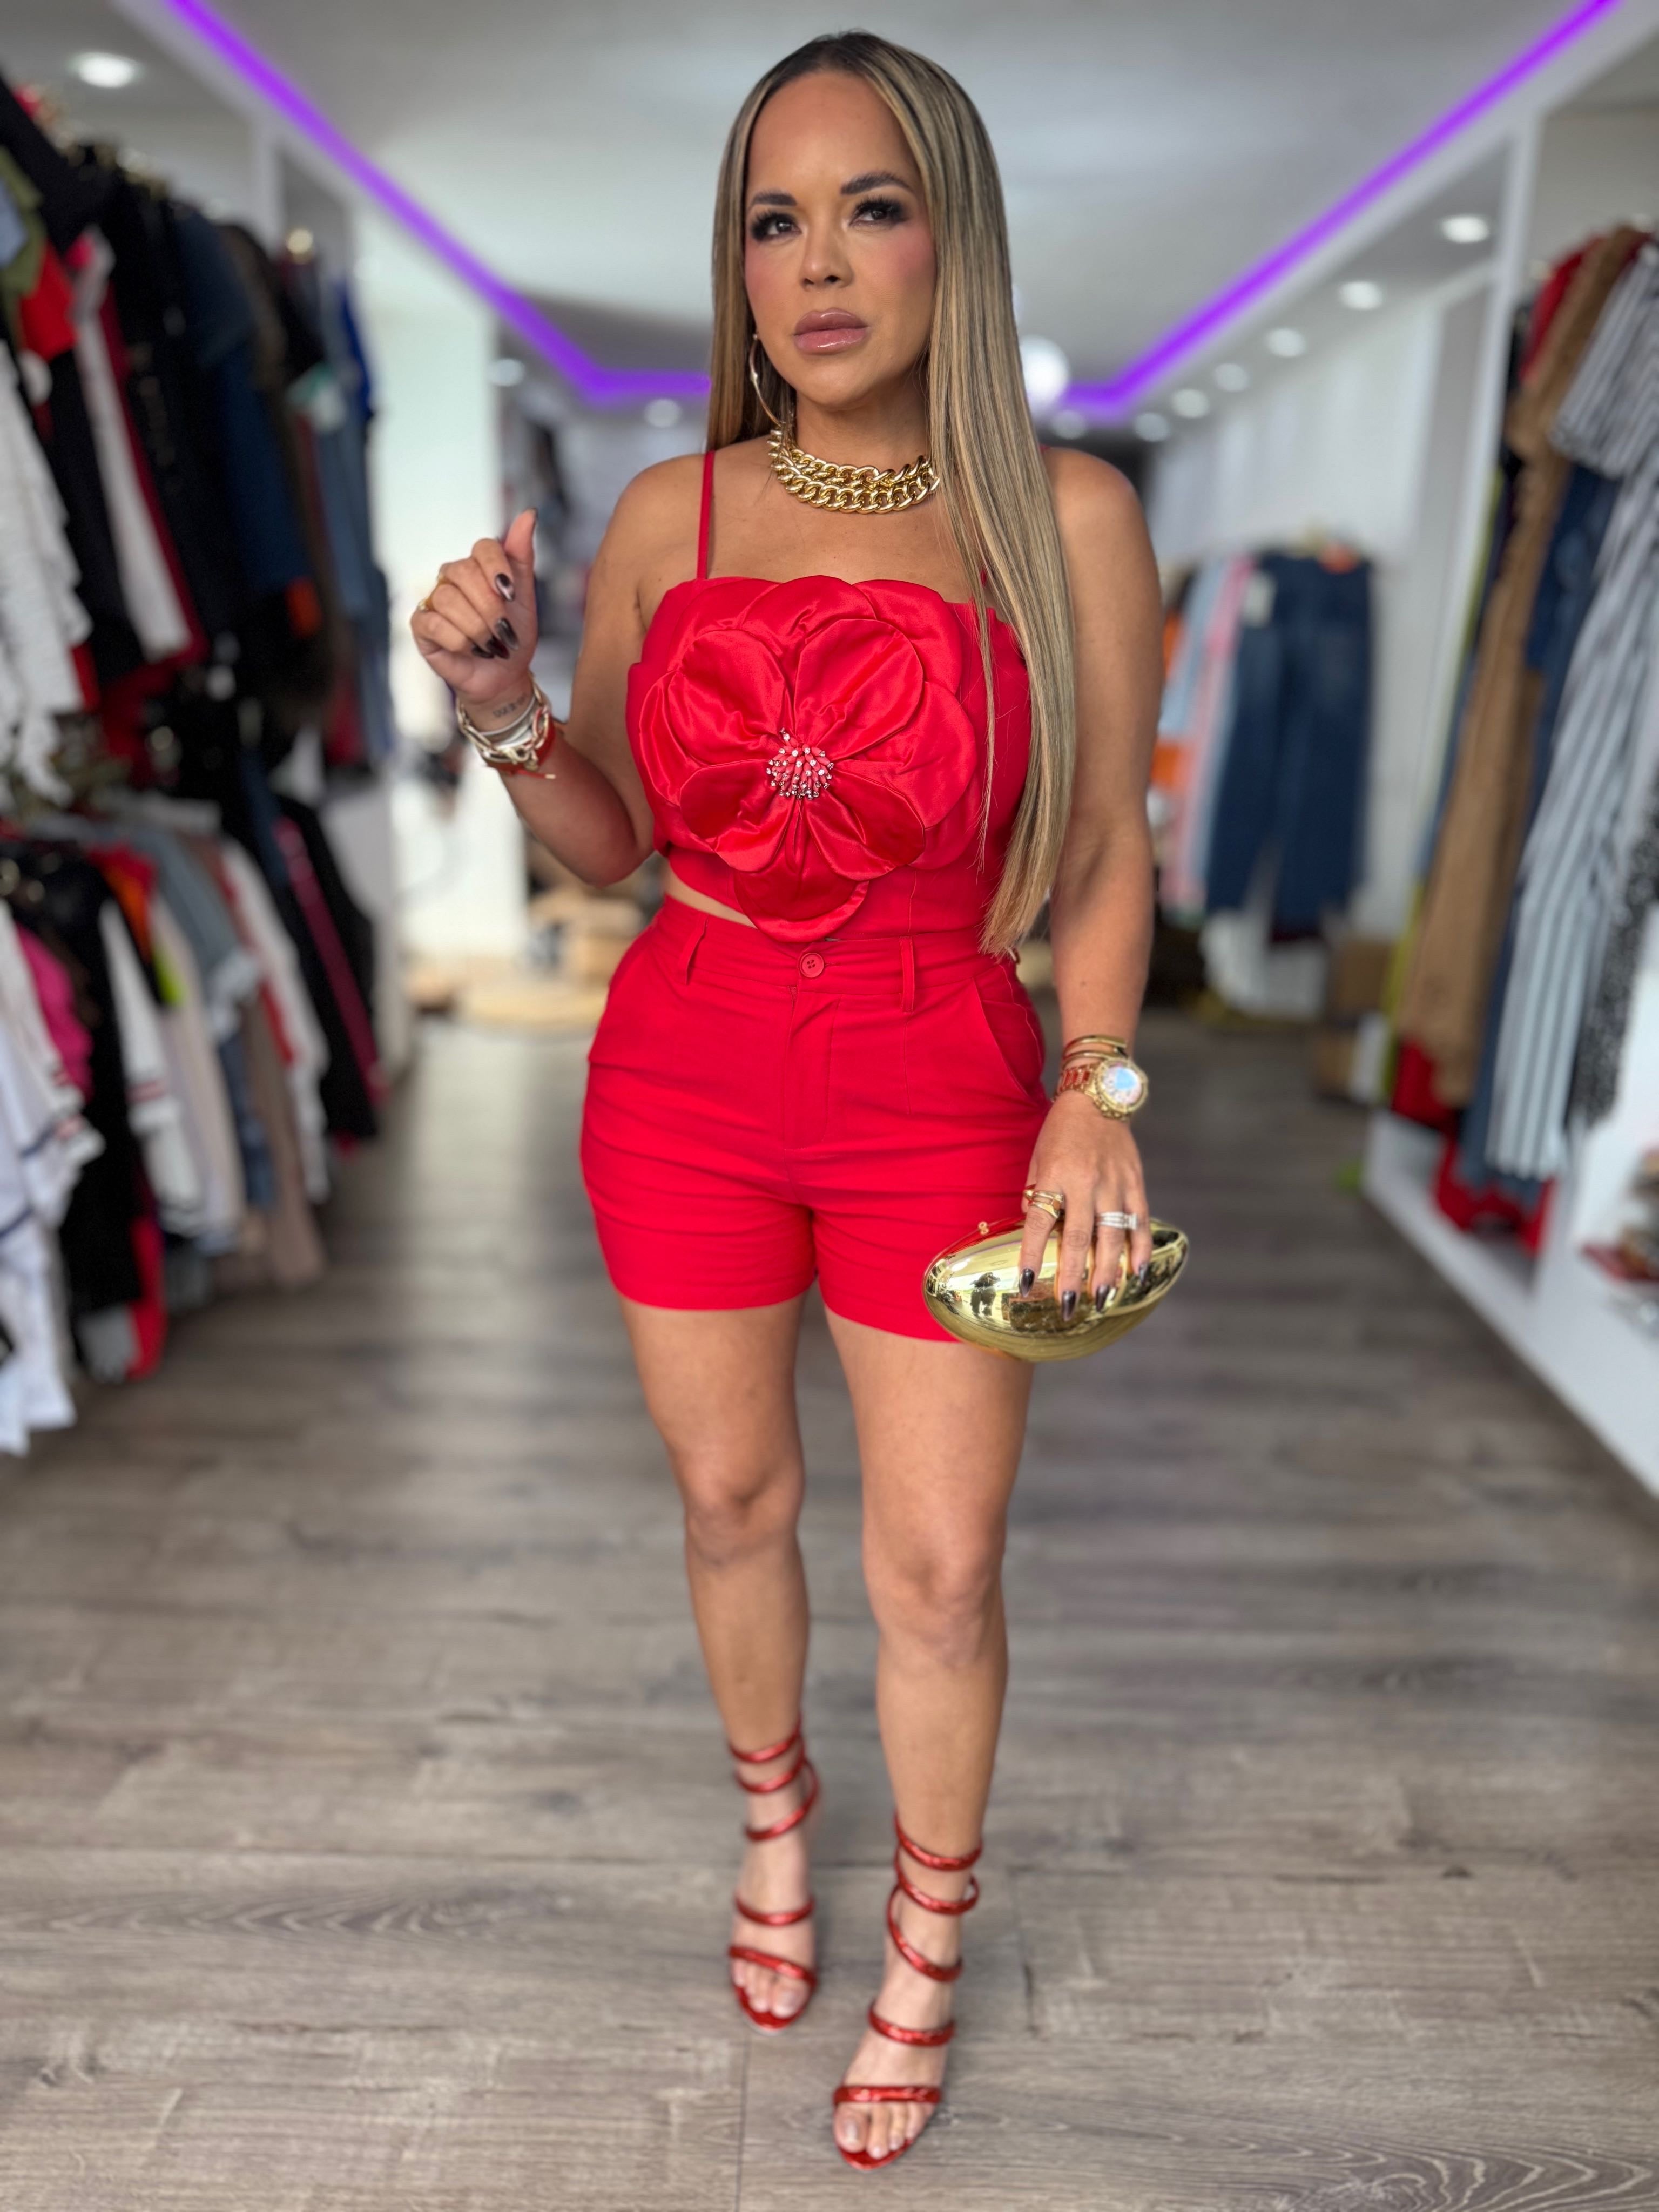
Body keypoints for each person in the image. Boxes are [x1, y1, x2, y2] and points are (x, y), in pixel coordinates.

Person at [410, 29, 1161, 2170]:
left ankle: (927, 1934)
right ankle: (775, 1817)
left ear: (953, 241)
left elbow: (1108, 844)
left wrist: (1096, 1086)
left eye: (870, 209)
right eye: (773, 220)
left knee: (941, 1566)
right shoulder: (677, 512)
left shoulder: (1068, 515)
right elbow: (610, 845)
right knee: (733, 1503)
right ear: (736, 262)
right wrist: (501, 708)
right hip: (689, 1059)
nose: (817, 265)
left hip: (947, 1069)